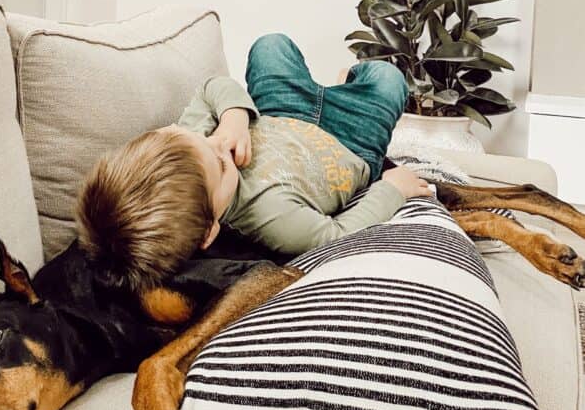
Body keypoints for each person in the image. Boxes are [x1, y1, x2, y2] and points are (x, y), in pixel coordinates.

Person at [76, 33, 430, 292]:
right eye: (220, 162)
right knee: (387, 78)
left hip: (282, 110)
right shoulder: (271, 217)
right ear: (209, 231)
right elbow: (335, 236)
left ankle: (330, 90)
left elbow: (212, 88)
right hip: (349, 139)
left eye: (200, 138)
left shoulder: (191, 141)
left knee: (271, 46)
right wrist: (391, 189)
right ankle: (350, 88)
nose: (217, 142)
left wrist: (233, 117)